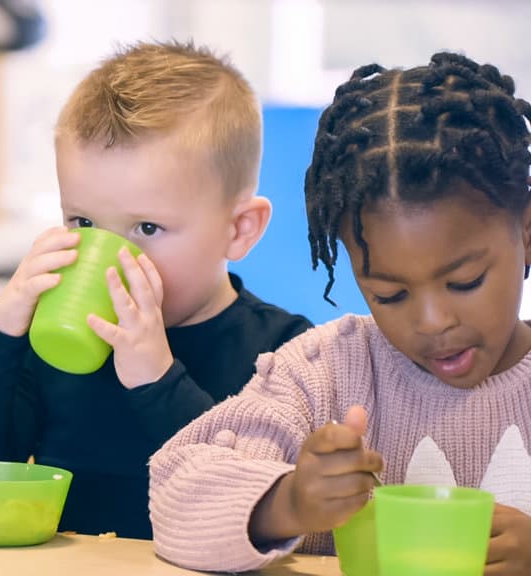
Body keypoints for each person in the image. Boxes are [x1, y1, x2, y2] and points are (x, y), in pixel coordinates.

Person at [149, 51, 531, 575]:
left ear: (526, 231)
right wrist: (287, 501)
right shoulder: (324, 375)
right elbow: (174, 494)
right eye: (390, 294)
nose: (433, 321)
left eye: (464, 282)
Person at [0, 41, 312, 539]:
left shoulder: (285, 355)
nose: (109, 256)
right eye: (83, 222)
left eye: (147, 228)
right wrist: (0, 333)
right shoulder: (46, 342)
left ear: (239, 229)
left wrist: (157, 379)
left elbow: (253, 504)